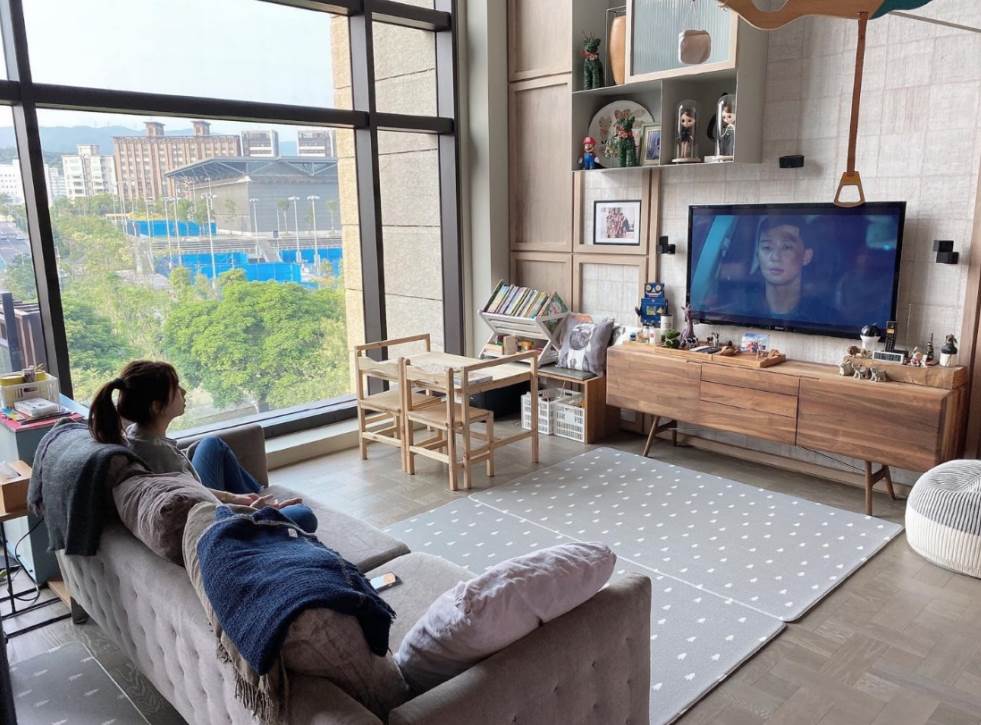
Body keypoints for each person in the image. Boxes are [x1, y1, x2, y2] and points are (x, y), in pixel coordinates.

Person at [88, 360, 318, 533]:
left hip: (196, 491)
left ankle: (256, 495)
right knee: (304, 515)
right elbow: (203, 509)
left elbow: (192, 487)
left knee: (211, 444)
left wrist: (234, 497)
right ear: (157, 407)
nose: (184, 392)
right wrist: (252, 511)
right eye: (176, 387)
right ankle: (263, 504)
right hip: (208, 512)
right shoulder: (161, 456)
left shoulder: (136, 434)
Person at [749, 216, 823, 320]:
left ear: (806, 256)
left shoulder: (825, 318)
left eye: (786, 247)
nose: (775, 257)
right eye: (767, 247)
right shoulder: (737, 314)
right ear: (757, 255)